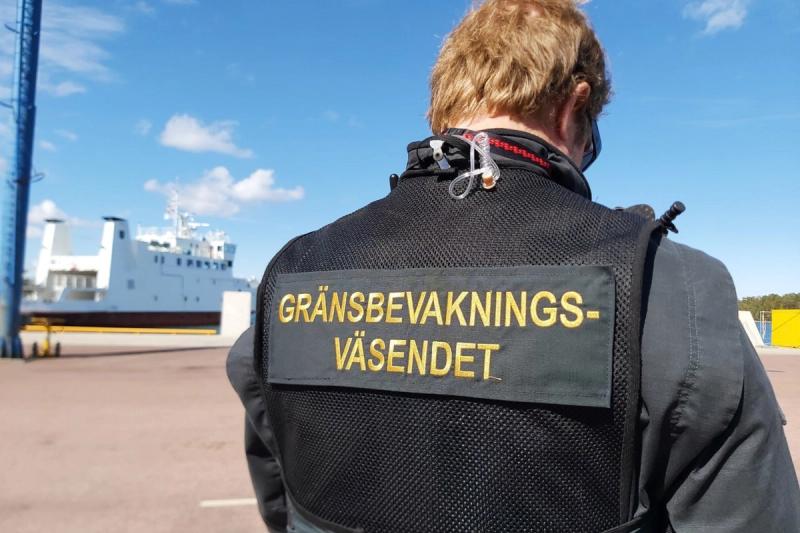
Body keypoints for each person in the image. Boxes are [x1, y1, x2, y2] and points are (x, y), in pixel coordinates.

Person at [227, 0, 800, 531]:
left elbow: (282, 499)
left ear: (443, 108)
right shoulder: (670, 287)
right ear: (575, 106)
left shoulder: (295, 275)